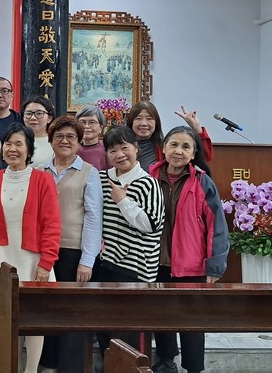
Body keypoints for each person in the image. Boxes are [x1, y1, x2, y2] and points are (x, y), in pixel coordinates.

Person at [148, 126, 229, 373]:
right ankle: (166, 361)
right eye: (174, 145)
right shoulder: (149, 177)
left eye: (186, 147)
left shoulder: (202, 181)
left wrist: (214, 265)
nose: (179, 151)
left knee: (192, 321)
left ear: (194, 153)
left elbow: (217, 225)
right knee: (161, 316)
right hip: (155, 261)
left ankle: (194, 367)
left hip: (191, 265)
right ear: (164, 148)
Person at [0, 123, 61, 373]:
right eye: (8, 144)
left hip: (33, 258)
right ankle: (10, 368)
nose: (12, 149)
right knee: (8, 319)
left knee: (33, 319)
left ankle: (31, 370)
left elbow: (52, 224)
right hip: (2, 257)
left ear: (29, 149)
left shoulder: (42, 179)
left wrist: (46, 263)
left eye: (19, 143)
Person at [39, 116, 103, 373]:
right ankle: (47, 365)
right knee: (47, 311)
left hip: (74, 253)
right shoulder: (39, 171)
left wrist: (87, 260)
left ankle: (71, 368)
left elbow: (93, 217)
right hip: (44, 253)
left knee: (72, 313)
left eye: (70, 137)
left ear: (78, 142)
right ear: (51, 140)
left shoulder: (89, 172)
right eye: (59, 136)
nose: (64, 141)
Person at [95, 125, 165, 355]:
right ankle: (108, 364)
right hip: (105, 263)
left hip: (135, 267)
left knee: (130, 329)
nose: (120, 154)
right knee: (105, 324)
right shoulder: (102, 178)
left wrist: (123, 201)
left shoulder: (148, 183)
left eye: (124, 148)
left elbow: (152, 225)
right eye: (112, 150)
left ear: (136, 148)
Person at [126, 101, 213, 171]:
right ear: (131, 122)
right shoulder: (122, 146)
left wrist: (197, 128)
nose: (144, 123)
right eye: (138, 118)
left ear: (156, 123)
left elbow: (205, 157)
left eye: (149, 119)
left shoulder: (165, 146)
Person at [21, 96, 55, 167]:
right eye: (28, 113)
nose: (33, 118)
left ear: (49, 118)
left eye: (39, 113)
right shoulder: (16, 139)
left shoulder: (55, 141)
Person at [75, 105, 108, 170]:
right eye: (82, 122)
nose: (86, 126)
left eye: (92, 122)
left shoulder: (107, 149)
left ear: (101, 128)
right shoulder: (73, 149)